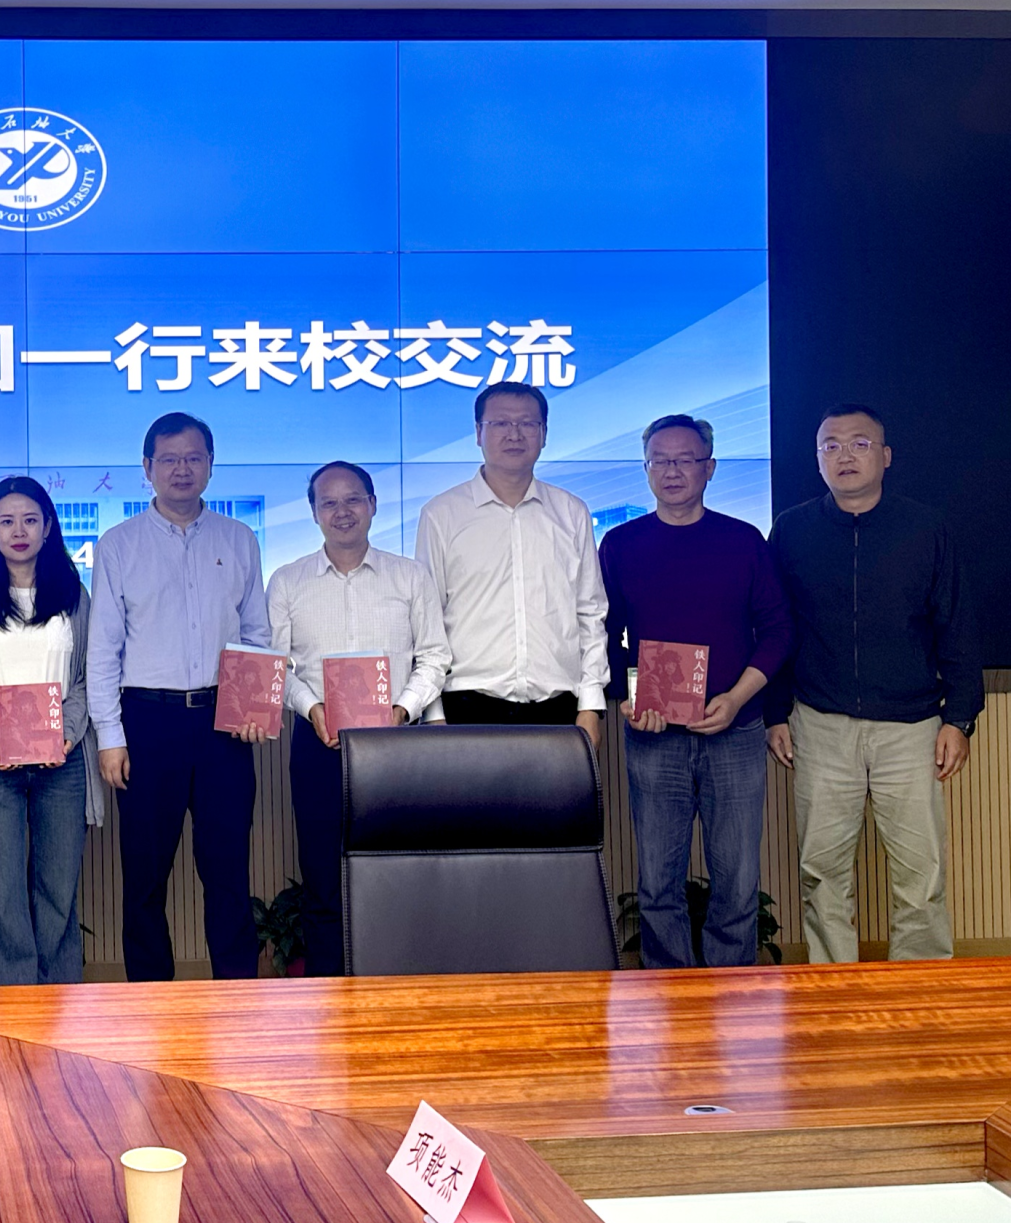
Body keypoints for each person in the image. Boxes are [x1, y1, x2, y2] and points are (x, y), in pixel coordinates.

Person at [766, 404, 982, 963]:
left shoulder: (925, 528)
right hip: (820, 723)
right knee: (821, 873)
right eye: (831, 445)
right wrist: (774, 713)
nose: (845, 455)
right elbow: (775, 627)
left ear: (885, 457)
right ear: (817, 460)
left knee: (921, 876)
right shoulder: (791, 530)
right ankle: (831, 989)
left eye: (859, 444)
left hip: (912, 726)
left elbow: (956, 627)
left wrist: (959, 718)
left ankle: (918, 989)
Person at [600, 415, 792, 969]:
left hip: (736, 730)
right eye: (659, 460)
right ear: (646, 470)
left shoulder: (743, 541)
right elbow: (604, 634)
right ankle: (670, 994)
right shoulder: (621, 544)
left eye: (685, 459)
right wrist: (629, 698)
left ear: (709, 468)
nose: (672, 470)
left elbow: (778, 630)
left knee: (737, 877)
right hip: (654, 736)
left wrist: (737, 699)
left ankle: (731, 991)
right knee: (658, 880)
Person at [89, 413, 270, 982]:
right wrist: (110, 736)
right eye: (168, 459)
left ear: (211, 465)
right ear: (147, 468)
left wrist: (252, 708)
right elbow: (104, 649)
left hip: (223, 723)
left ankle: (237, 996)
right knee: (145, 878)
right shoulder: (118, 545)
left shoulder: (239, 539)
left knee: (228, 872)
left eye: (193, 458)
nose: (182, 469)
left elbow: (257, 635)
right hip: (147, 723)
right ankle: (151, 1002)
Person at [266, 461, 449, 976]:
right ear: (313, 512)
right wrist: (312, 708)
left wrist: (402, 710)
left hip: (396, 745)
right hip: (318, 742)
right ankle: (330, 996)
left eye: (352, 499)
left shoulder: (409, 576)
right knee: (323, 880)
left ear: (373, 505)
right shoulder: (287, 581)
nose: (341, 511)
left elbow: (434, 657)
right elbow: (279, 667)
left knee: (397, 873)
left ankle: (396, 990)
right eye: (329, 502)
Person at [0, 477, 105, 986]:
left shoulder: (74, 596)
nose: (19, 531)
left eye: (30, 520)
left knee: (58, 891)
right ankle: (10, 1010)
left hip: (64, 759)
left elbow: (90, 676)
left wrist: (67, 733)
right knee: (1, 893)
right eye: (7, 521)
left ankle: (59, 1005)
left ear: (48, 527)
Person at [416, 383, 609, 745]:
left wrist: (590, 705)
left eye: (527, 424)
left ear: (544, 433)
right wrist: (433, 713)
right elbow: (428, 621)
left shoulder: (571, 512)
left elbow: (590, 614)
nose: (515, 434)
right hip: (466, 709)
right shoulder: (441, 514)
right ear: (478, 432)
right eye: (501, 423)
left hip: (559, 709)